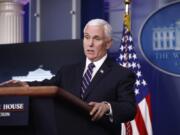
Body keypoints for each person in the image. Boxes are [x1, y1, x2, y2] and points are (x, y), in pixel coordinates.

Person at [3, 19, 136, 135]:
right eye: (87, 37)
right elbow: (47, 85)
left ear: (108, 43)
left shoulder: (121, 74)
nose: (90, 44)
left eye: (96, 38)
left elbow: (129, 109)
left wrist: (107, 107)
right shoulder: (67, 71)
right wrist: (24, 85)